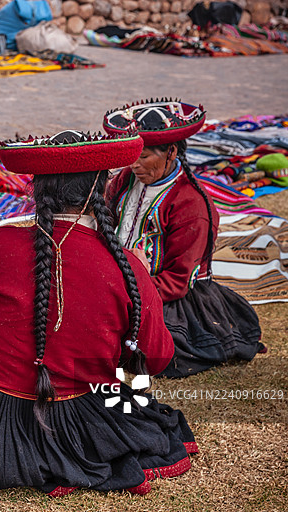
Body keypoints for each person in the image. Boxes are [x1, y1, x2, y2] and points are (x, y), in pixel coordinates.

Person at [0, 130, 197, 494]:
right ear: (99, 190)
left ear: (38, 189)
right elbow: (155, 357)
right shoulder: (128, 269)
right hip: (81, 418)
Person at [103, 98, 264, 378]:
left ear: (171, 152)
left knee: (142, 347)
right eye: (131, 155)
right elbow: (105, 226)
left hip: (169, 298)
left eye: (144, 156)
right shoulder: (125, 180)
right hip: (123, 282)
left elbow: (177, 281)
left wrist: (132, 285)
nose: (135, 165)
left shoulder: (191, 205)